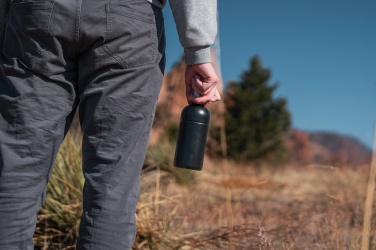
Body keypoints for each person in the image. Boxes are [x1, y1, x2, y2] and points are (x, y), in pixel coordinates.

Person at [0, 0, 220, 249]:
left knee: (16, 171)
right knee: (113, 182)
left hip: (36, 16)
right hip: (127, 21)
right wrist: (198, 50)